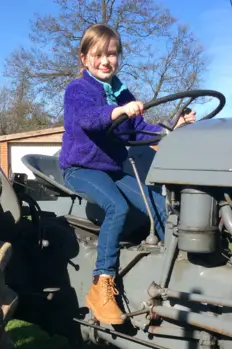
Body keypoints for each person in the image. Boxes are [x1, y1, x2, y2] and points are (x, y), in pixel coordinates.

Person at [59, 24, 195, 325]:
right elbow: (88, 119)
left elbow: (138, 128)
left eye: (112, 54)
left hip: (112, 168)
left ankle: (179, 269)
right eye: (98, 55)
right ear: (84, 59)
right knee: (116, 207)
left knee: (158, 206)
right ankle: (101, 285)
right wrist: (117, 111)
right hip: (81, 168)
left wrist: (172, 128)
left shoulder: (120, 90)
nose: (106, 60)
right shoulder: (78, 90)